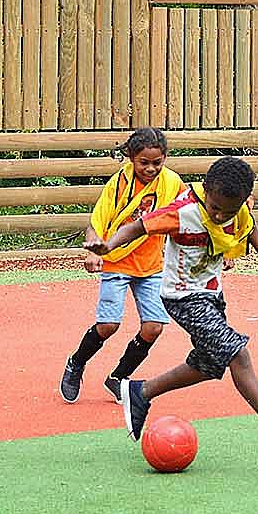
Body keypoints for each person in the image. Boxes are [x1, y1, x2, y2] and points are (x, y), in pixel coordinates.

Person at [84, 156, 258, 462]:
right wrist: (109, 246)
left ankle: (140, 392)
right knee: (236, 353)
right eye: (214, 208)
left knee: (207, 365)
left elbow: (249, 227)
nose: (219, 215)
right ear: (207, 193)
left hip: (212, 296)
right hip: (182, 297)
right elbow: (139, 226)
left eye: (228, 210)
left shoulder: (237, 209)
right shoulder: (183, 211)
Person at [60, 128, 185, 404]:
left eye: (157, 162)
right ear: (131, 157)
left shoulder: (173, 183)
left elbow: (192, 210)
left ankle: (118, 377)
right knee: (108, 325)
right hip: (117, 262)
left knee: (153, 327)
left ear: (165, 158)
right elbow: (97, 221)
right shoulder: (118, 184)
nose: (151, 168)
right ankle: (76, 362)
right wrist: (93, 251)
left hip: (151, 266)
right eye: (144, 163)